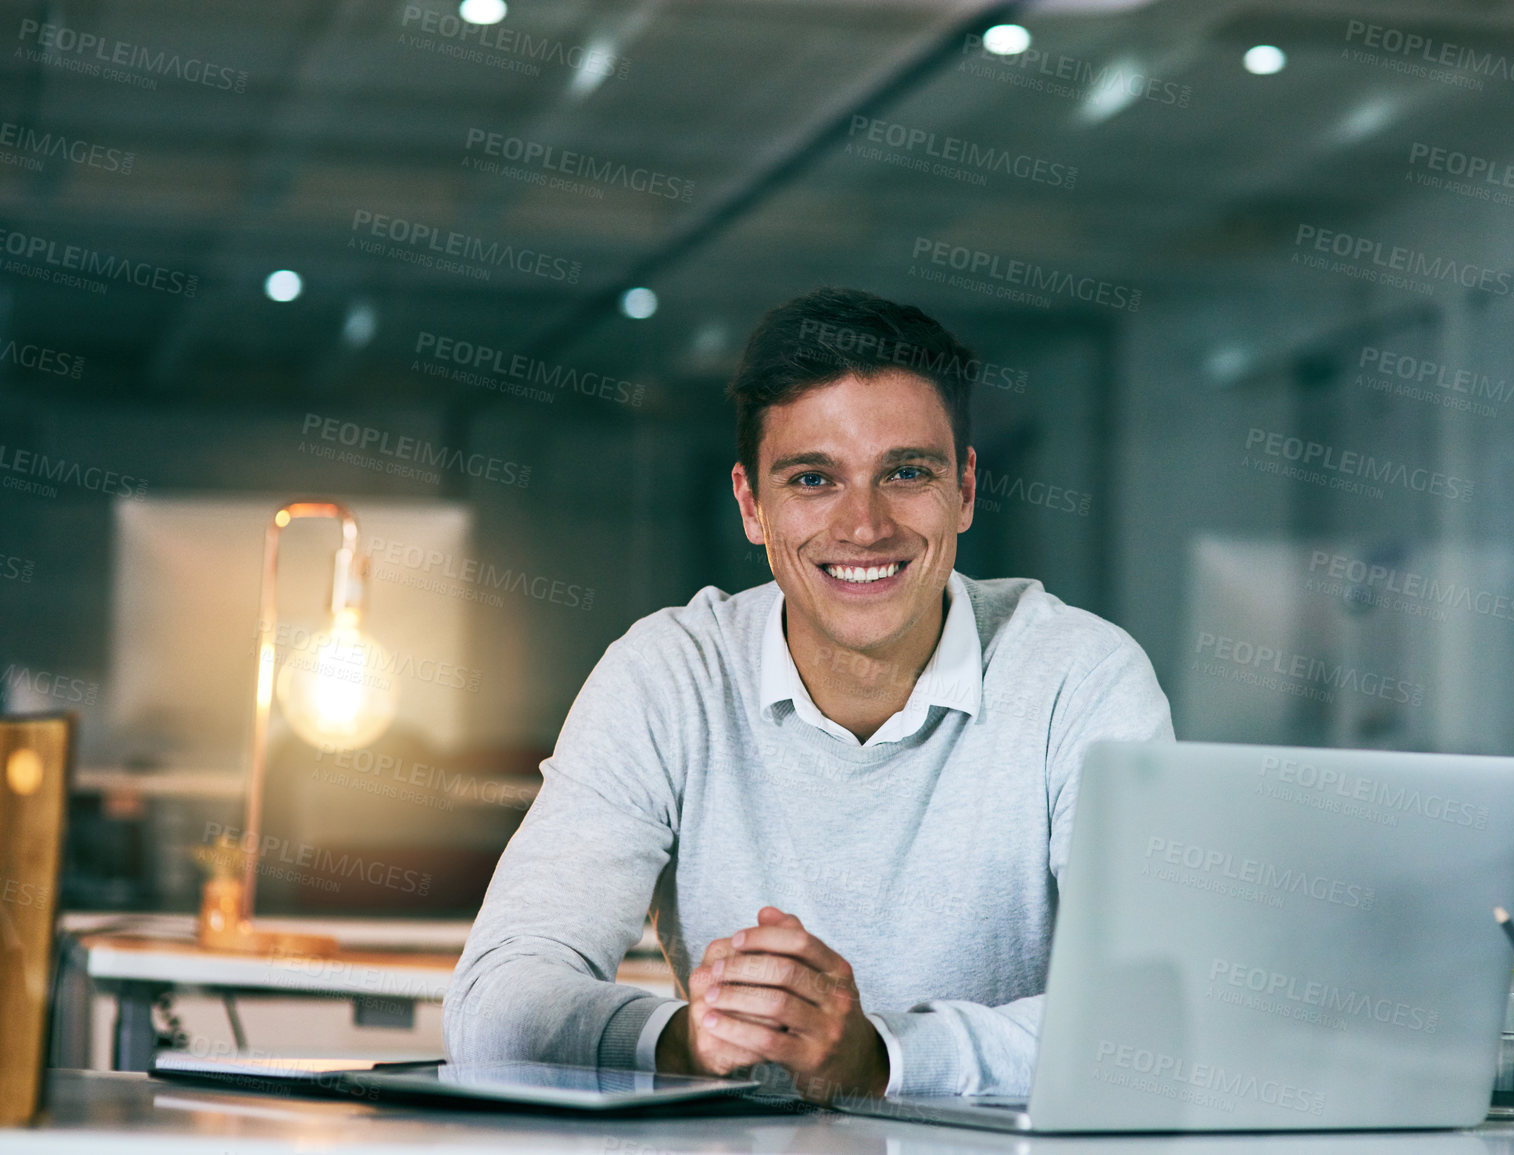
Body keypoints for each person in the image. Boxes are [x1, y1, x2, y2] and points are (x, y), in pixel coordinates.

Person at [444, 287, 1175, 1101]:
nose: (863, 526)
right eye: (813, 478)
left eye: (905, 471)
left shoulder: (1081, 676)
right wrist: (685, 1039)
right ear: (751, 505)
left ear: (965, 489)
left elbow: (1153, 1018)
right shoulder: (668, 676)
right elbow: (493, 1008)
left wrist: (880, 1058)